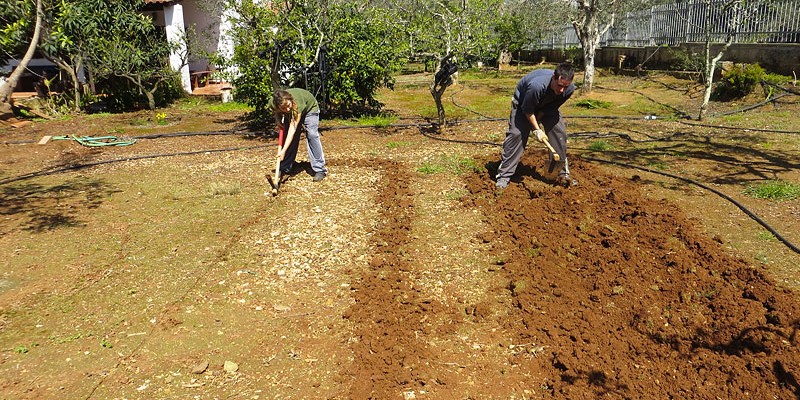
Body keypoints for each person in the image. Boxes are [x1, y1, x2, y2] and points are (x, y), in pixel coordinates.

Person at [496, 62, 576, 189]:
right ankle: (504, 176)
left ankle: (562, 174)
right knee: (517, 135)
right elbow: (527, 110)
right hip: (523, 105)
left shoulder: (569, 89)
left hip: (547, 106)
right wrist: (536, 130)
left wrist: (536, 124)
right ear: (554, 78)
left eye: (565, 87)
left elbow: (551, 107)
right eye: (560, 85)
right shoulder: (536, 86)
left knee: (559, 134)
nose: (562, 90)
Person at [269, 88, 328, 182]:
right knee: (290, 137)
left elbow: (293, 129)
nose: (287, 109)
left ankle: (320, 169)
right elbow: (275, 111)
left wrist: (283, 150)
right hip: (293, 111)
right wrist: (277, 119)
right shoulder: (273, 103)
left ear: (290, 99)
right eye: (283, 108)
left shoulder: (297, 102)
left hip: (310, 108)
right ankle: (285, 167)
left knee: (312, 134)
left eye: (288, 105)